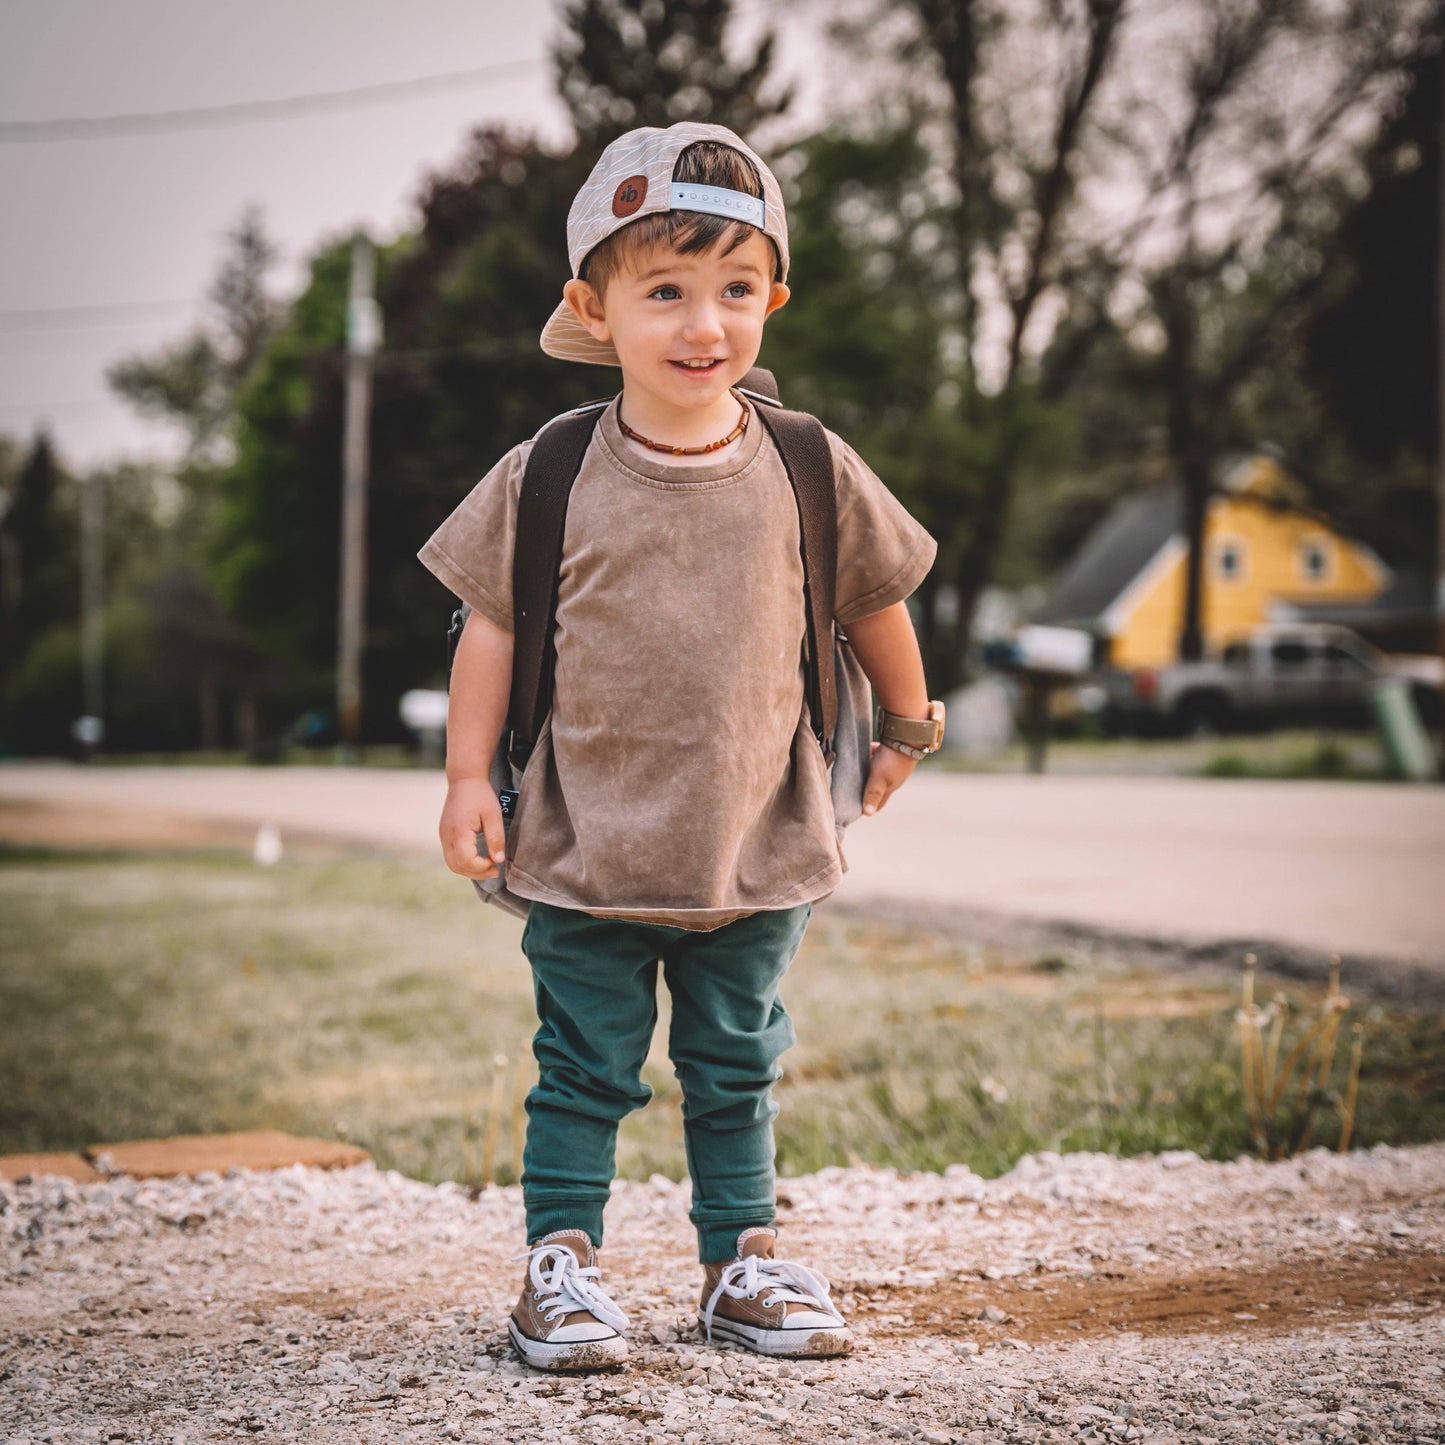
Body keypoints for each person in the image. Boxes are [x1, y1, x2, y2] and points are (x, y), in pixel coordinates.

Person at [418, 121, 944, 1372]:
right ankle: (563, 1265)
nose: (703, 322)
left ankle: (741, 1262)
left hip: (756, 833)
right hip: (583, 835)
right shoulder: (548, 469)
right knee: (581, 1063)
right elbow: (486, 630)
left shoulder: (809, 463)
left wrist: (909, 725)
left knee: (735, 1058)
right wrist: (459, 779)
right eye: (664, 289)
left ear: (771, 298)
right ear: (592, 306)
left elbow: (878, 601)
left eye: (734, 288)